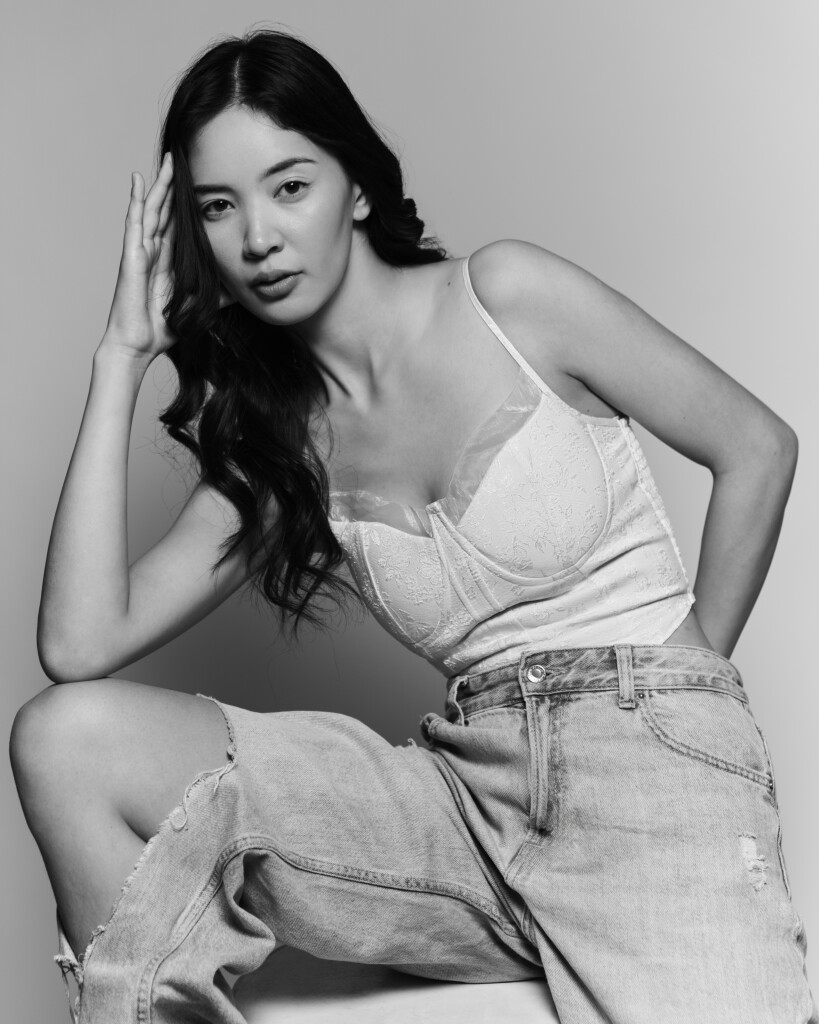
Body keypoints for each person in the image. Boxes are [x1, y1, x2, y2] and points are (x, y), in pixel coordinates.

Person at [9, 26, 816, 1024]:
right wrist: (120, 357)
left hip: (652, 770)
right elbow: (78, 646)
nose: (257, 237)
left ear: (356, 187)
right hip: (464, 806)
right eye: (219, 206)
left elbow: (756, 447)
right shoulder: (282, 446)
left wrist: (683, 695)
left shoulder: (509, 297)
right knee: (65, 741)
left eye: (289, 186)